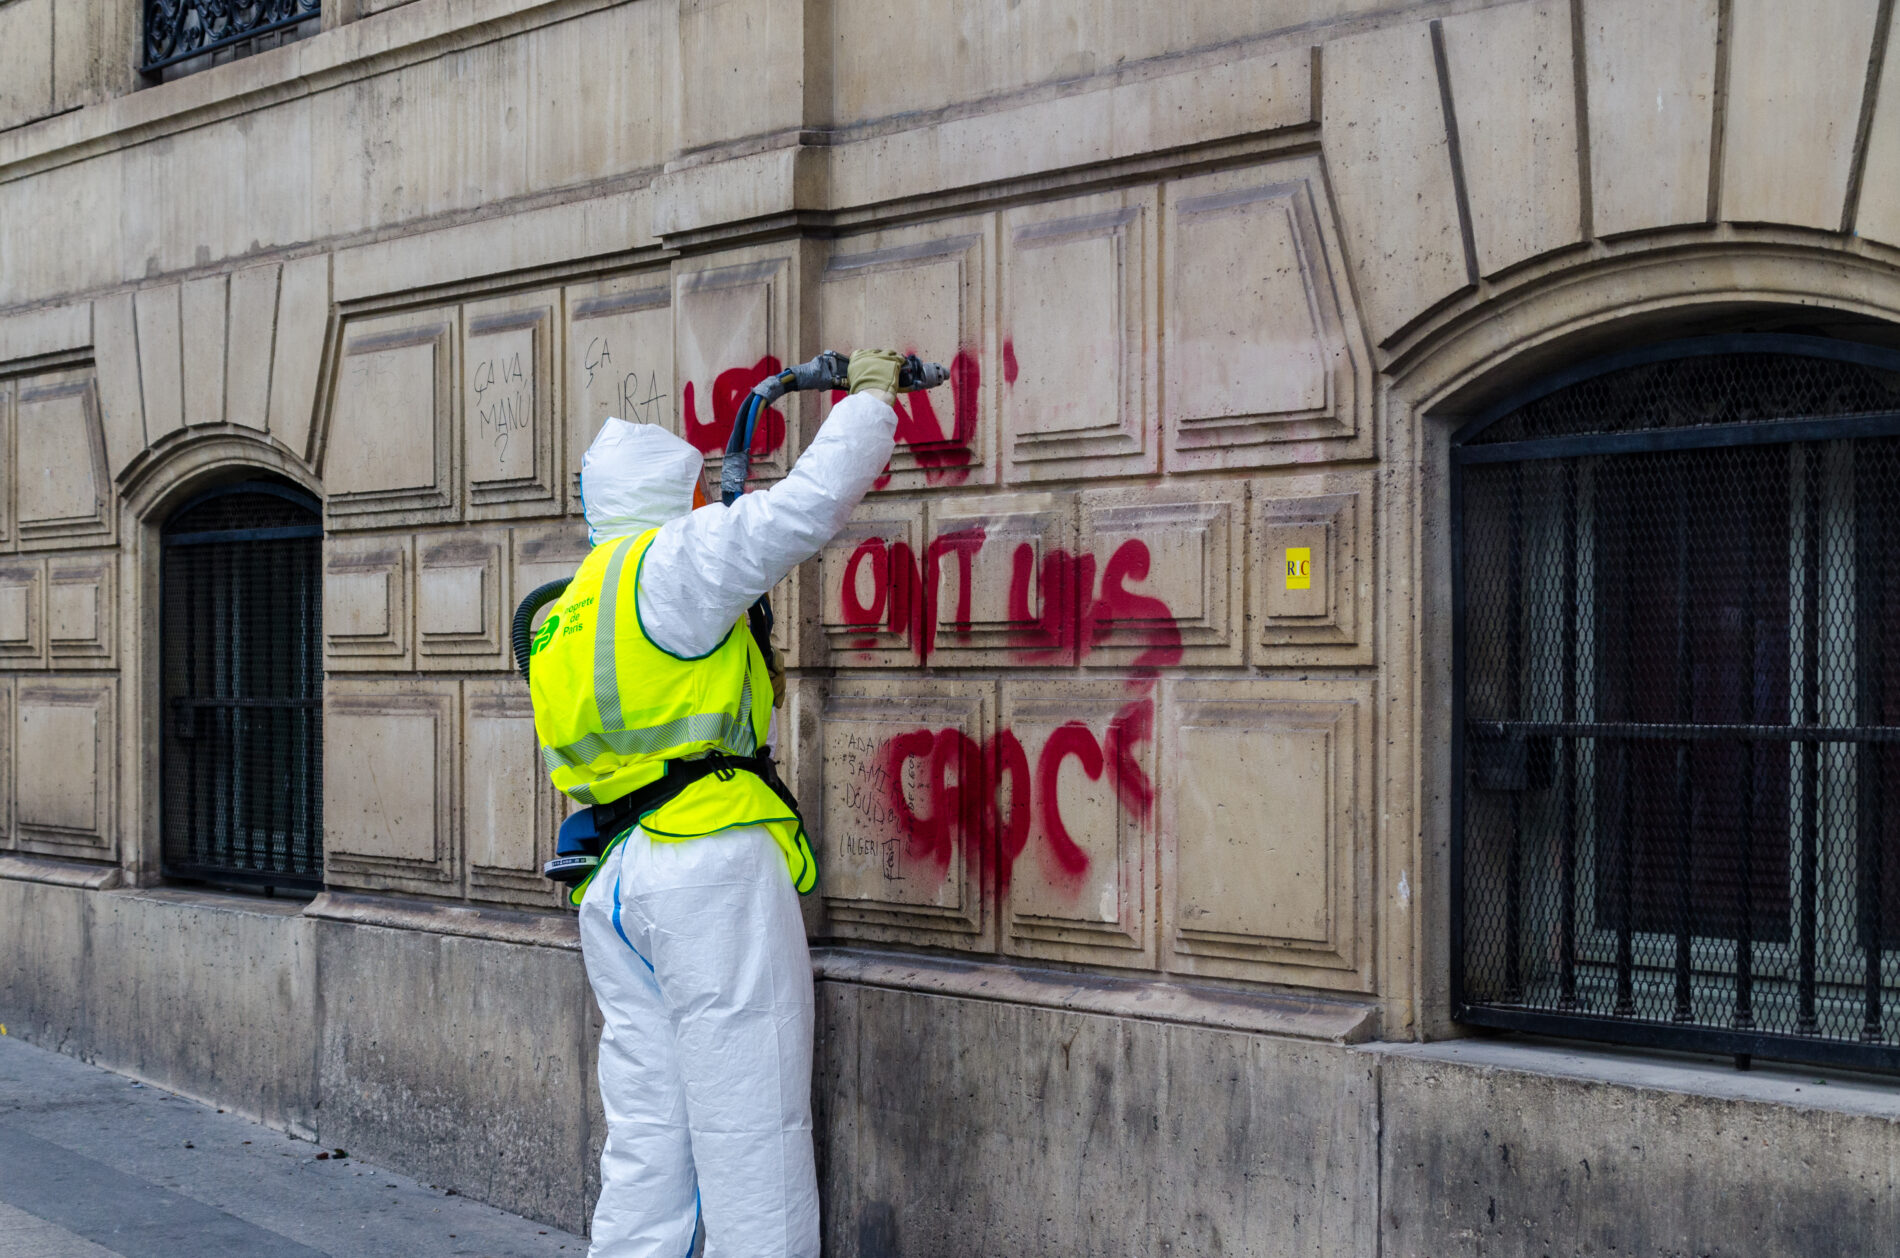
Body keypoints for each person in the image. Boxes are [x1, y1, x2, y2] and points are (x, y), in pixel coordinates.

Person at [528, 348, 906, 1258]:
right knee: (750, 1136)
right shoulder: (675, 565)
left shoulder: (565, 608)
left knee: (648, 1141)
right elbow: (805, 507)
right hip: (705, 861)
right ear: (676, 495)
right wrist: (872, 402)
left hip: (613, 884)